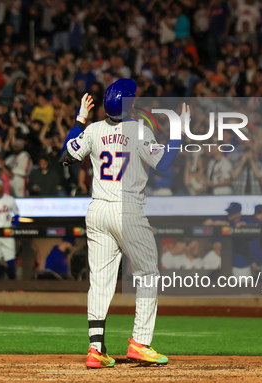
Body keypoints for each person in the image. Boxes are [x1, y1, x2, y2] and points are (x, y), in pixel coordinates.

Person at [61, 80, 182, 368]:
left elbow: (66, 157)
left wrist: (79, 120)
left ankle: (95, 349)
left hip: (97, 210)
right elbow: (164, 163)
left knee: (100, 281)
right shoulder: (138, 130)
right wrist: (178, 133)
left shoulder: (92, 130)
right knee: (148, 273)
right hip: (126, 209)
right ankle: (140, 342)